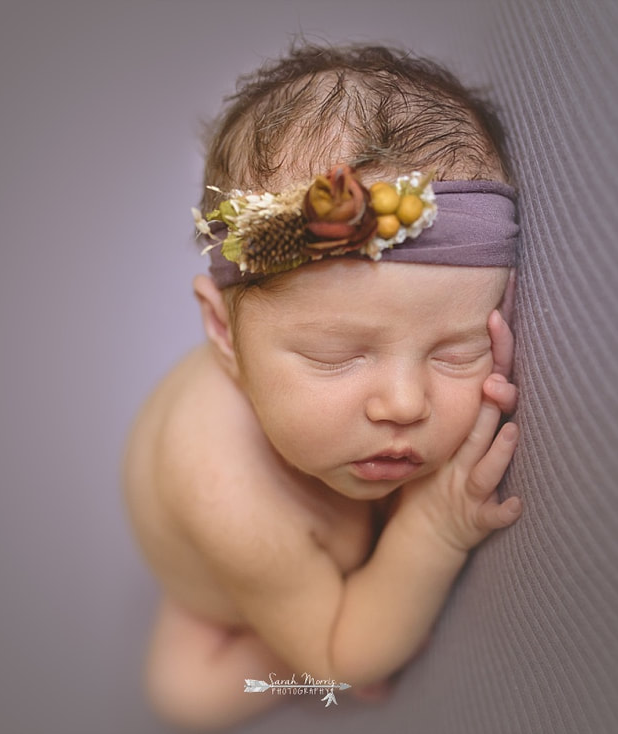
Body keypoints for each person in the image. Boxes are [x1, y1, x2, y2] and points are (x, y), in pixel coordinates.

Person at [123, 43, 524, 730]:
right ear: (224, 333)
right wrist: (433, 524)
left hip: (318, 511)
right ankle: (279, 644)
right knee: (185, 696)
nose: (403, 403)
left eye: (454, 350)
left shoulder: (355, 417)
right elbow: (345, 659)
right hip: (229, 583)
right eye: (337, 357)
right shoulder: (224, 485)